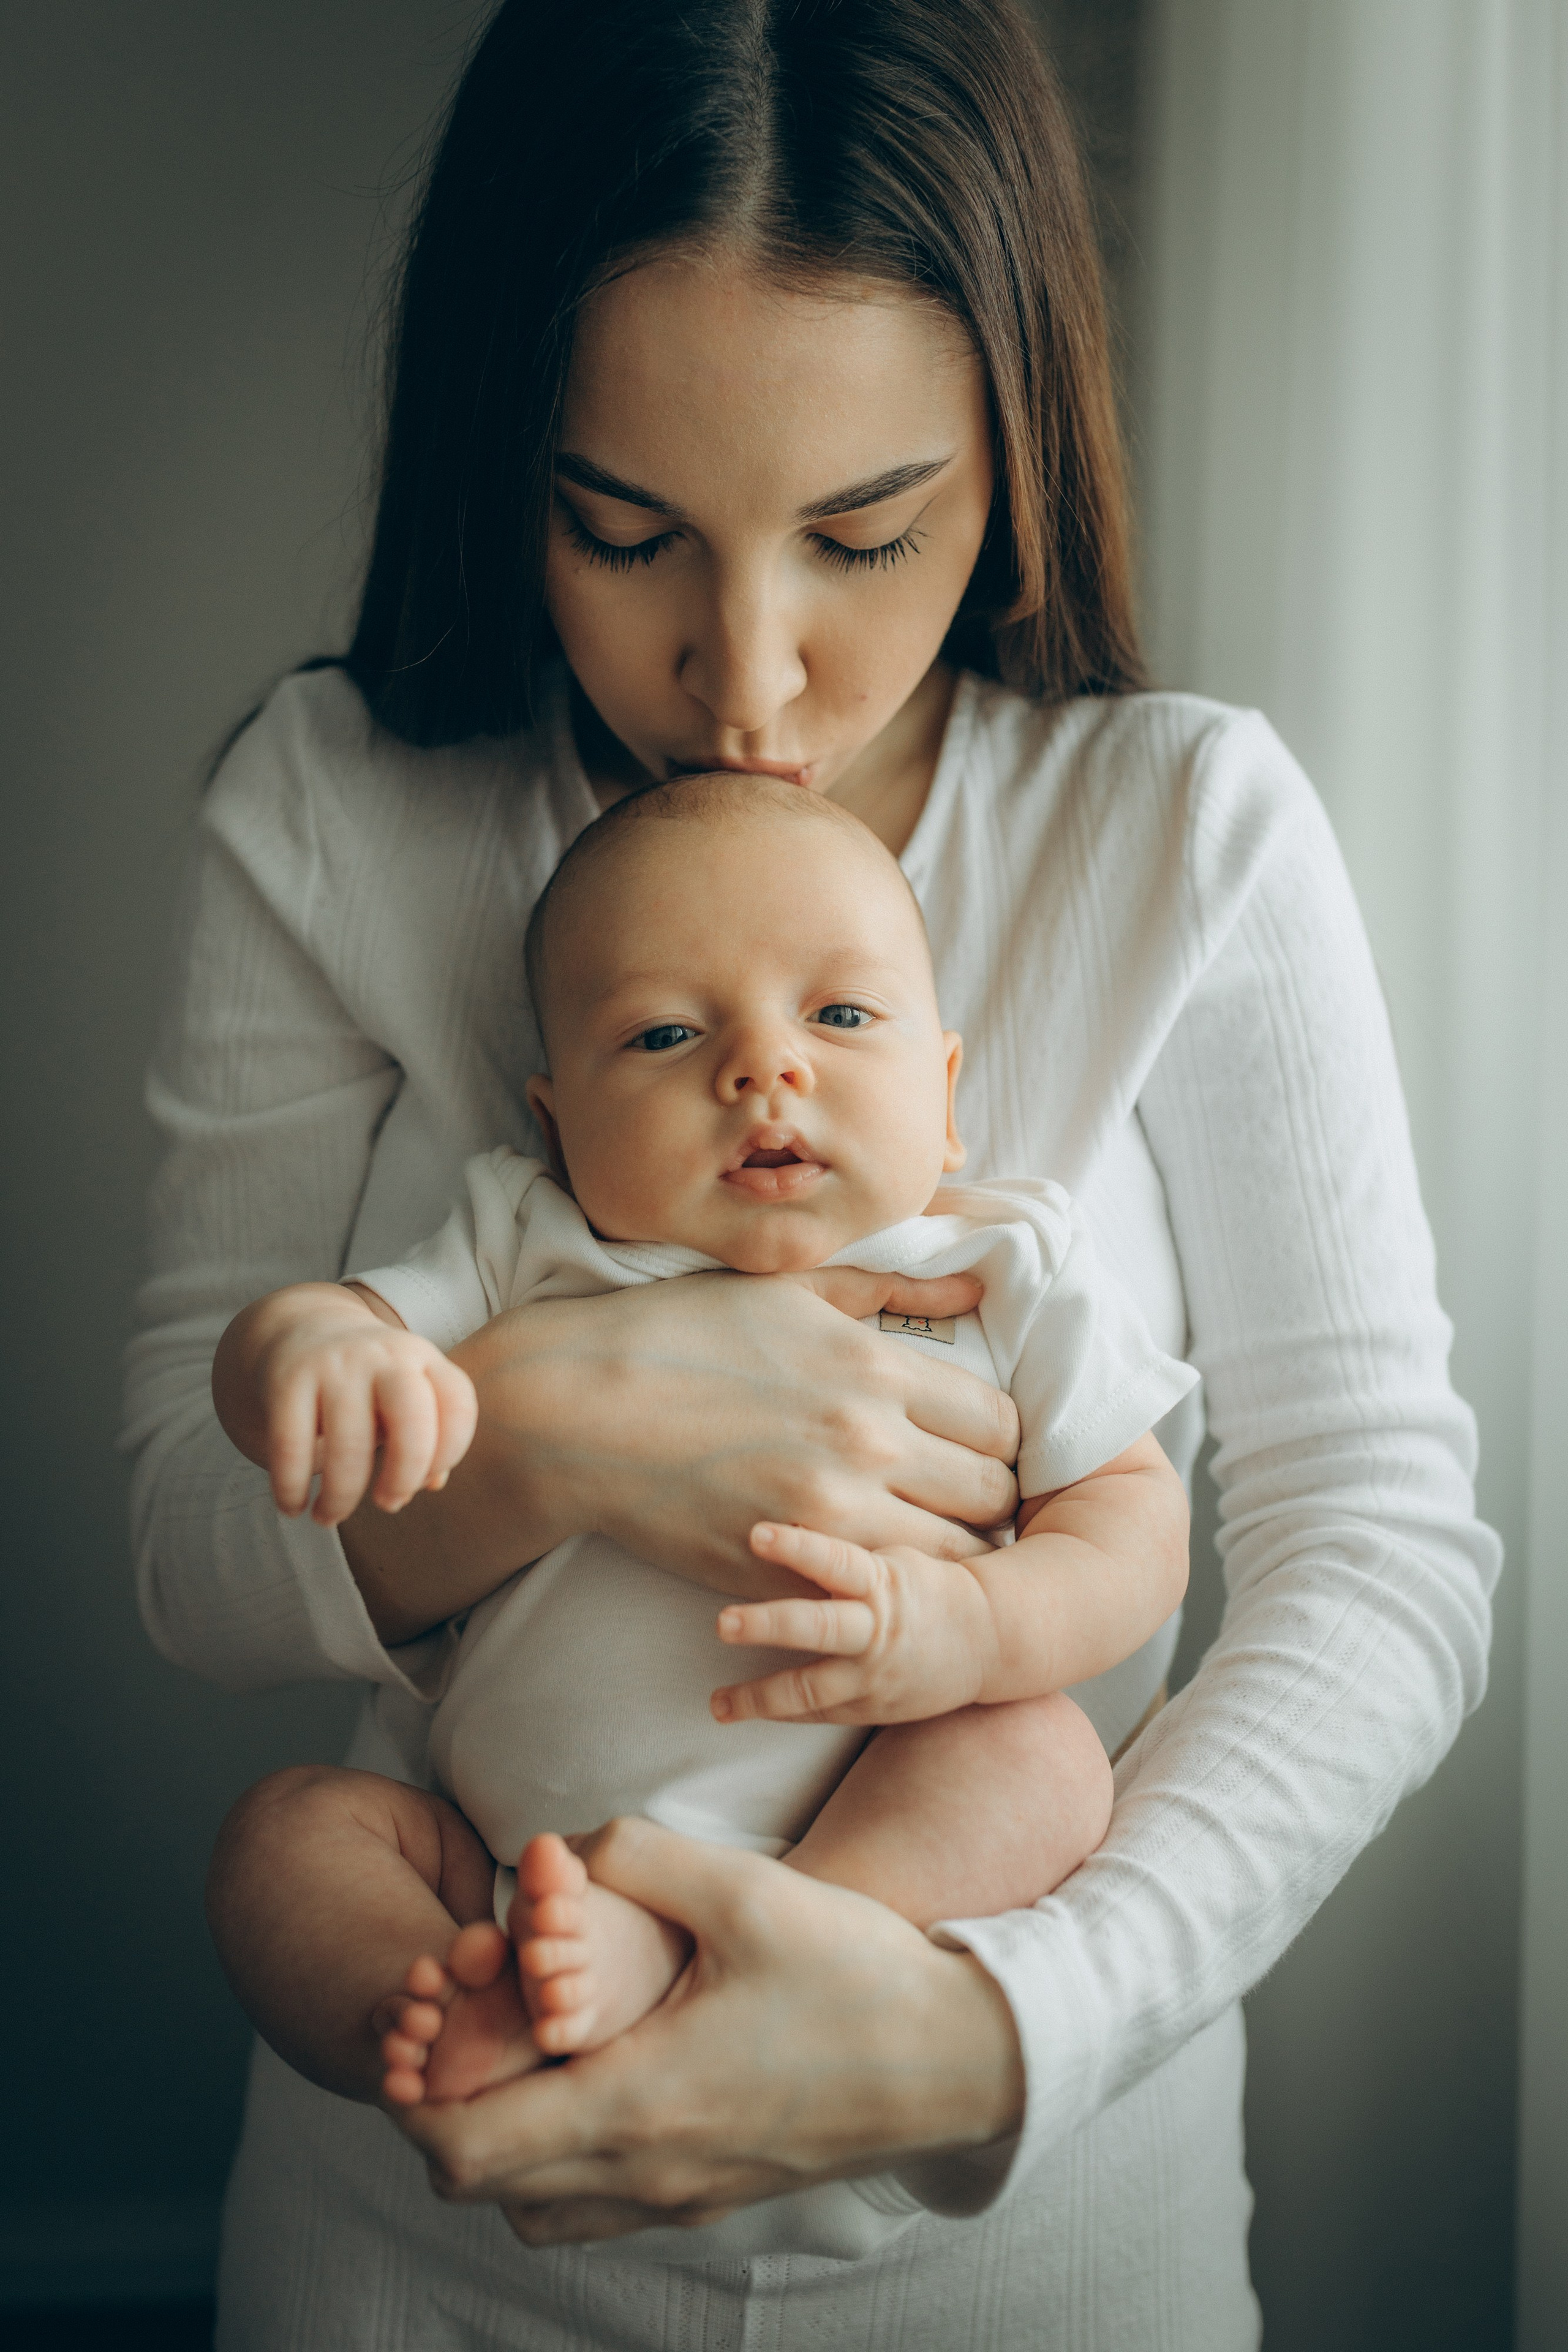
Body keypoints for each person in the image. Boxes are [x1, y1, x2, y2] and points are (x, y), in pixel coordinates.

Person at [121, 0, 1499, 2343]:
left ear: (1016, 445)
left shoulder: (1178, 834)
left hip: (1034, 2231)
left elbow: (1378, 1547)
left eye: (868, 536)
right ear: (506, 454)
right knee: (281, 1860)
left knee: (1012, 1747)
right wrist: (570, 1425)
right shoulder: (338, 814)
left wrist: (1001, 2027)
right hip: (432, 2217)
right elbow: (188, 1538)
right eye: (622, 529)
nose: (743, 675)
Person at [202, 774, 1194, 2114]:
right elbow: (313, 1336)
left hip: (866, 1840)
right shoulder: (525, 1237)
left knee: (1035, 1761)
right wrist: (318, 1348)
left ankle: (731, 1961)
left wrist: (977, 1624)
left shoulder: (996, 1263)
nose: (762, 1068)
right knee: (288, 1840)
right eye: (665, 1035)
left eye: (839, 1015)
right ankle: (450, 2020)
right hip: (500, 1866)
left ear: (945, 1095)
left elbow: (1134, 1523)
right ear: (557, 1126)